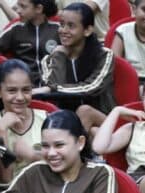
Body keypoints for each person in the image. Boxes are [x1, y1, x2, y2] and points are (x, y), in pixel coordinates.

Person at [37, 2, 115, 132]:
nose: (63, 30)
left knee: (85, 112)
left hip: (101, 119)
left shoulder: (104, 55)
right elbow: (52, 87)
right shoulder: (50, 59)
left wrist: (53, 89)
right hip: (65, 119)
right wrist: (59, 56)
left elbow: (91, 87)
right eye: (61, 25)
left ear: (87, 30)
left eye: (71, 26)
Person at [0, 59, 48, 185]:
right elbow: (5, 178)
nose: (20, 97)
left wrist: (33, 156)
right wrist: (1, 131)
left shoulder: (46, 118)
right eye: (12, 91)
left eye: (26, 90)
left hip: (42, 190)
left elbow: (63, 161)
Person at [0, 0, 60, 84]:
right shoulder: (16, 28)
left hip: (54, 87)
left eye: (23, 6)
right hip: (23, 87)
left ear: (38, 9)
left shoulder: (58, 28)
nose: (18, 10)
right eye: (18, 5)